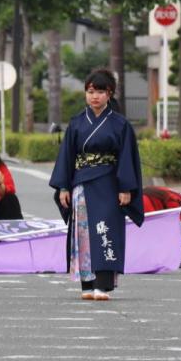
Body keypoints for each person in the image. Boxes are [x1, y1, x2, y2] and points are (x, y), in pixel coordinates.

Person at [50, 69, 144, 301]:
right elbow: (66, 156)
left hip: (109, 184)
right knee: (83, 233)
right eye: (91, 91)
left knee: (105, 230)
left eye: (100, 92)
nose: (95, 96)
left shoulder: (120, 124)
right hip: (81, 184)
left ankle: (103, 284)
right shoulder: (77, 122)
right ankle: (87, 283)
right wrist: (63, 187)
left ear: (109, 94)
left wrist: (125, 188)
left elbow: (126, 158)